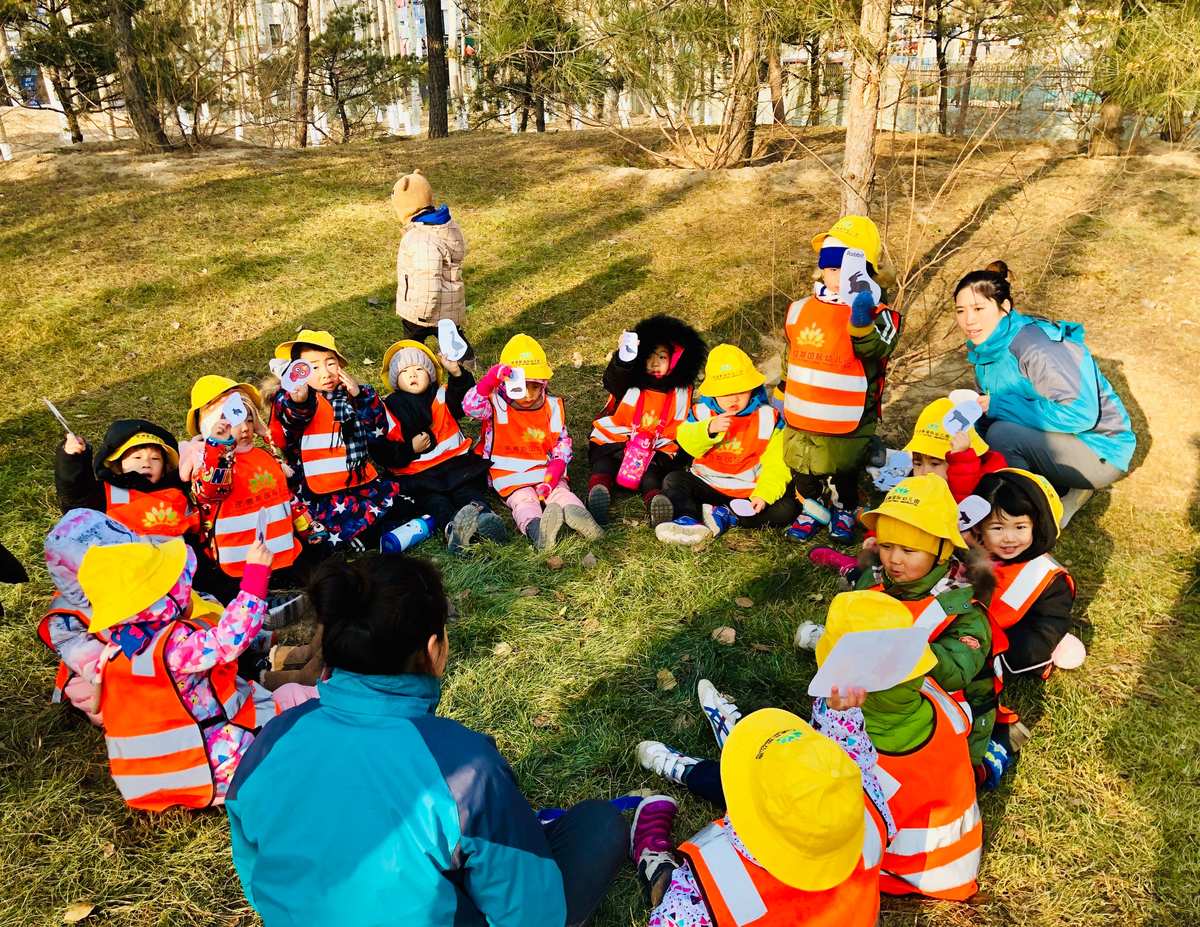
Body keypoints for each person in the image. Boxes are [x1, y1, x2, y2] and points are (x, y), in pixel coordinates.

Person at [226, 553, 627, 927]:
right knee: (600, 822)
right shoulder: (467, 769)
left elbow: (253, 866)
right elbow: (532, 914)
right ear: (435, 649)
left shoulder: (275, 736)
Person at [74, 534, 314, 810]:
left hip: (147, 781)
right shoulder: (172, 649)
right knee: (293, 725)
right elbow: (229, 639)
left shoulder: (115, 653)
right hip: (212, 765)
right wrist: (256, 577)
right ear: (161, 600)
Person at [631, 682, 892, 926]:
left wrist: (673, 899)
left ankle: (652, 857)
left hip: (695, 903)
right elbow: (855, 762)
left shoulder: (707, 894)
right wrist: (840, 717)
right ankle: (731, 743)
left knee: (666, 884)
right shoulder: (866, 805)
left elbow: (672, 918)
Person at [796, 475, 995, 767]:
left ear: (943, 551)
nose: (894, 560)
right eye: (888, 546)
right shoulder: (877, 576)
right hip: (874, 694)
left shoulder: (963, 608)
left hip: (933, 707)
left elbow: (958, 672)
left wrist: (902, 643)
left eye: (909, 550)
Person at [812, 592, 982, 900]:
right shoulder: (940, 700)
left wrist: (834, 717)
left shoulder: (859, 752)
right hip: (959, 861)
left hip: (903, 871)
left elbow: (827, 801)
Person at [956, 260, 1136, 525]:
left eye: (979, 308)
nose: (969, 320)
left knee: (1002, 434)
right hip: (1060, 439)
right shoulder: (988, 346)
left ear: (1004, 308)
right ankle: (1057, 485)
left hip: (1099, 447)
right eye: (961, 310)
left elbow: (1079, 414)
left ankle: (1028, 515)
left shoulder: (1036, 348)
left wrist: (999, 407)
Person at [782, 215, 901, 544]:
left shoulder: (882, 315)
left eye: (847, 270)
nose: (837, 278)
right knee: (802, 465)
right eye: (831, 269)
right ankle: (812, 505)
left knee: (843, 467)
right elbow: (792, 352)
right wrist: (782, 387)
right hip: (803, 413)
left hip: (849, 413)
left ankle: (845, 507)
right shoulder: (800, 308)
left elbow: (877, 350)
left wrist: (861, 321)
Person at [181, 375, 326, 625]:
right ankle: (259, 609)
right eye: (235, 422)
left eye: (250, 419)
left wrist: (306, 526)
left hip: (282, 548)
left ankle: (309, 590)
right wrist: (218, 448)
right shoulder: (206, 462)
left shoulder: (264, 456)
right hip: (238, 558)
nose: (245, 428)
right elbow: (210, 490)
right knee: (233, 590)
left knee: (321, 566)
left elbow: (285, 498)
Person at [268, 329, 427, 553]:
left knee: (402, 505)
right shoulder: (290, 399)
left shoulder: (349, 395)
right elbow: (291, 422)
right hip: (320, 488)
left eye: (330, 363)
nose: (325, 373)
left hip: (359, 479)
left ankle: (381, 530)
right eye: (313, 367)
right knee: (330, 527)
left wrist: (360, 395)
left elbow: (376, 427)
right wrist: (299, 400)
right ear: (297, 371)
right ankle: (361, 537)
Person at [971, 467, 1081, 788]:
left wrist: (1002, 658)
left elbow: (1046, 628)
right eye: (997, 527)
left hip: (1007, 648)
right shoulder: (970, 555)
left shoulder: (1048, 578)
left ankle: (997, 735)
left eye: (1020, 526)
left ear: (1038, 526)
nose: (1008, 537)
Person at [462, 334, 603, 550]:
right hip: (509, 476)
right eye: (522, 387)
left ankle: (582, 517)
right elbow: (470, 407)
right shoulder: (494, 403)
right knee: (523, 501)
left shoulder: (552, 406)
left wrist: (555, 471)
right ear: (506, 383)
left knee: (562, 493)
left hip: (545, 471)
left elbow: (562, 444)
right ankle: (537, 530)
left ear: (544, 384)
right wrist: (488, 381)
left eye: (535, 387)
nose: (529, 395)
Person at [371, 339, 506, 552]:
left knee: (467, 493)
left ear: (431, 374)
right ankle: (452, 530)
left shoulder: (442, 394)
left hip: (455, 466)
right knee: (435, 503)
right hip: (418, 476)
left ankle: (485, 519)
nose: (413, 374)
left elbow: (466, 400)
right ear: (396, 379)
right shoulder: (388, 408)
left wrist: (456, 373)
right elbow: (382, 451)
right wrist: (410, 449)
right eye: (405, 370)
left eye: (419, 368)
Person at [656, 344, 797, 545]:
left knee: (787, 509)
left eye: (741, 390)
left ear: (752, 388)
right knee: (674, 480)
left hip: (747, 492)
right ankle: (688, 519)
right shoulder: (703, 413)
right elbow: (685, 441)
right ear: (713, 393)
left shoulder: (767, 417)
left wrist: (764, 495)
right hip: (708, 483)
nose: (734, 398)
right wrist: (708, 429)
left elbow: (777, 462)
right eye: (725, 393)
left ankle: (725, 515)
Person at [587, 315, 706, 527]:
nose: (654, 363)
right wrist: (624, 358)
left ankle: (655, 500)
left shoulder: (681, 391)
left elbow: (685, 424)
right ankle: (599, 490)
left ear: (674, 360)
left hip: (654, 448)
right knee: (603, 463)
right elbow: (613, 378)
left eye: (661, 357)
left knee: (652, 474)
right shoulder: (629, 380)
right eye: (649, 356)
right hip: (618, 440)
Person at [55, 418, 194, 537]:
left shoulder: (176, 493)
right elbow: (75, 497)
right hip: (120, 562)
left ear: (165, 469)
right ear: (117, 465)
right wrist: (72, 460)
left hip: (172, 562)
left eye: (155, 458)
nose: (146, 463)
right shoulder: (107, 493)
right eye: (137, 457)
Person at [392, 169, 473, 364]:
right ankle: (467, 362)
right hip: (448, 306)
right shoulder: (443, 227)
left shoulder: (421, 238)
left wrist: (423, 313)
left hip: (423, 309)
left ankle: (411, 367)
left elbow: (428, 279)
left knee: (412, 342)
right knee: (452, 338)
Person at [905, 397, 1008, 501]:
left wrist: (961, 461)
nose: (924, 472)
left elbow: (960, 506)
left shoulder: (990, 483)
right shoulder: (922, 482)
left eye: (935, 463)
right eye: (918, 464)